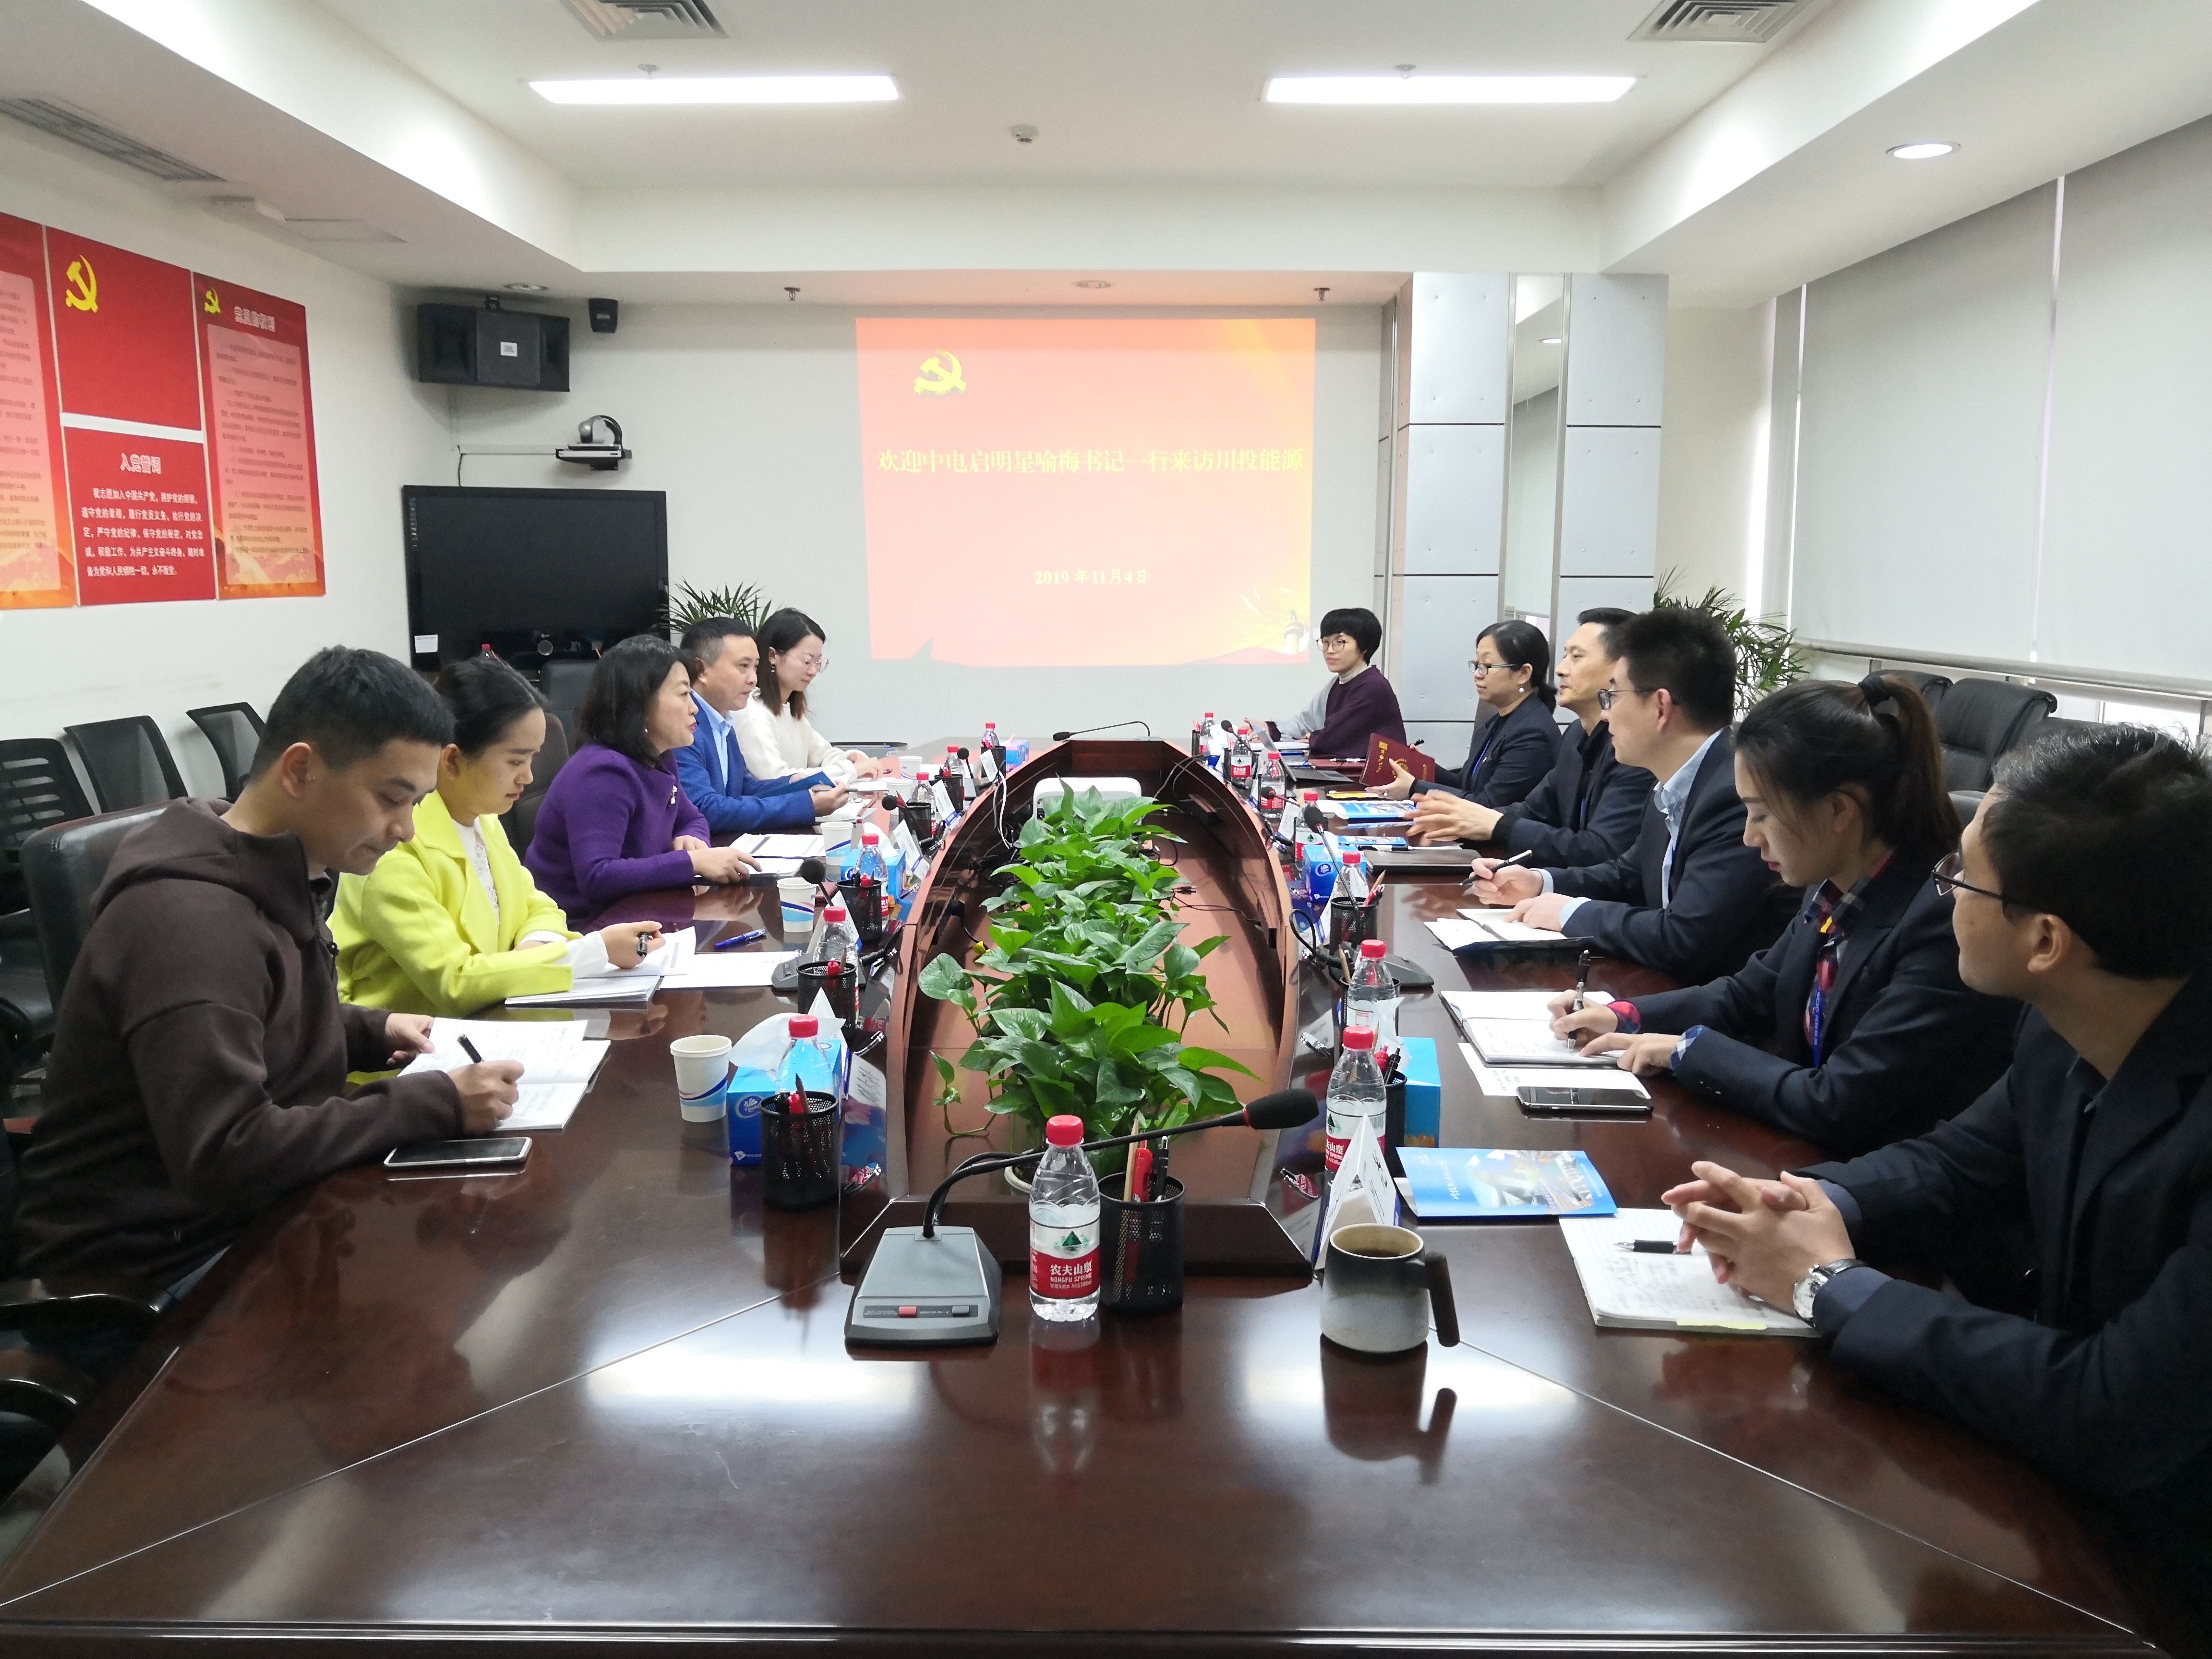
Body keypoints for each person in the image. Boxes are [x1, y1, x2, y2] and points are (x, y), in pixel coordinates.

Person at [1663, 725, 2212, 1639]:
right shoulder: (2064, 1016)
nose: (1938, 889)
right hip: (2056, 1493)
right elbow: (1956, 1160)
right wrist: (1810, 1202)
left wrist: (1827, 1284)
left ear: (2045, 939)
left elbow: (2111, 1408)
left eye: (1959, 876)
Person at [13, 647, 524, 1295]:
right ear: (301, 770)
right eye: (391, 799)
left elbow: (257, 1011)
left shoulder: (274, 868)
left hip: (255, 1215)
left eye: (416, 804)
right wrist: (435, 1103)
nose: (405, 831)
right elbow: (227, 1152)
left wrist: (370, 1030)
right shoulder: (187, 923)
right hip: (150, 1272)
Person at [1546, 674, 2017, 1154]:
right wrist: (1624, 1015)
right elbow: (1746, 996)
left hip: (1875, 1175)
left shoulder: (1940, 921)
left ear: (1838, 811)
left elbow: (1837, 1100)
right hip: (1802, 1153)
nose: (1750, 837)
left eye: (1762, 814)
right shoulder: (1832, 883)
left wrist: (1687, 1051)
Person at [1471, 607, 1794, 983]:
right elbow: (1628, 874)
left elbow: (1684, 938)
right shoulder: (1675, 779)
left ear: (1660, 707)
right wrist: (1541, 882)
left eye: (1612, 697)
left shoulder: (1734, 795)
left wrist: (1571, 913)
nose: (1606, 715)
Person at [334, 654, 666, 1017]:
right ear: (453, 760)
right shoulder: (394, 848)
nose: (528, 777)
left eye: (532, 759)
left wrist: (532, 952)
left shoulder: (483, 819)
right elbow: (455, 982)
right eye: (515, 761)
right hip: (405, 1046)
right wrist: (592, 953)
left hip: (488, 1021)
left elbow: (539, 907)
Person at [524, 636, 758, 925]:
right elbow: (598, 877)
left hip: (640, 913)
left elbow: (692, 818)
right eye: (684, 694)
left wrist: (692, 838)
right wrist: (691, 862)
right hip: (581, 929)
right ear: (641, 704)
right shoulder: (602, 773)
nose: (694, 708)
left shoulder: (659, 757)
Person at [1408, 608, 1651, 862]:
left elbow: (1601, 851)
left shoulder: (1634, 750)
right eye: (1565, 656)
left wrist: (1494, 824)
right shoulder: (1575, 735)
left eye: (1577, 657)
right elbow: (1533, 810)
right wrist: (1463, 820)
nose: (1560, 670)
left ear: (1621, 669)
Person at [673, 617, 847, 834]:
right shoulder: (684, 724)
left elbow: (743, 787)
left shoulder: (722, 719)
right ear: (701, 670)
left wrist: (793, 782)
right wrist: (804, 805)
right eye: (743, 666)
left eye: (755, 667)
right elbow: (704, 808)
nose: (753, 679)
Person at [1375, 619, 1556, 806]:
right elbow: (1465, 785)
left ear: (1524, 673)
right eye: (1477, 665)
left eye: (1487, 666)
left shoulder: (1533, 734)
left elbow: (1488, 805)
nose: (1477, 674)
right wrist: (1422, 766)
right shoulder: (1495, 722)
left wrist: (1415, 787)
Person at [734, 608, 897, 789]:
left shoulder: (790, 709)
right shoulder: (753, 713)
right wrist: (849, 769)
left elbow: (823, 755)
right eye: (807, 661)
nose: (813, 671)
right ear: (773, 656)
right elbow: (778, 779)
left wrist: (850, 758)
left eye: (818, 662)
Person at [1276, 606, 1407, 759]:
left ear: (1364, 647)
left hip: (1379, 774)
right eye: (1326, 642)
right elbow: (1306, 722)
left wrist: (1313, 739)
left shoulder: (1373, 686)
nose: (1330, 650)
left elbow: (1336, 736)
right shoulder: (1337, 683)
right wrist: (1271, 730)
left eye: (1339, 642)